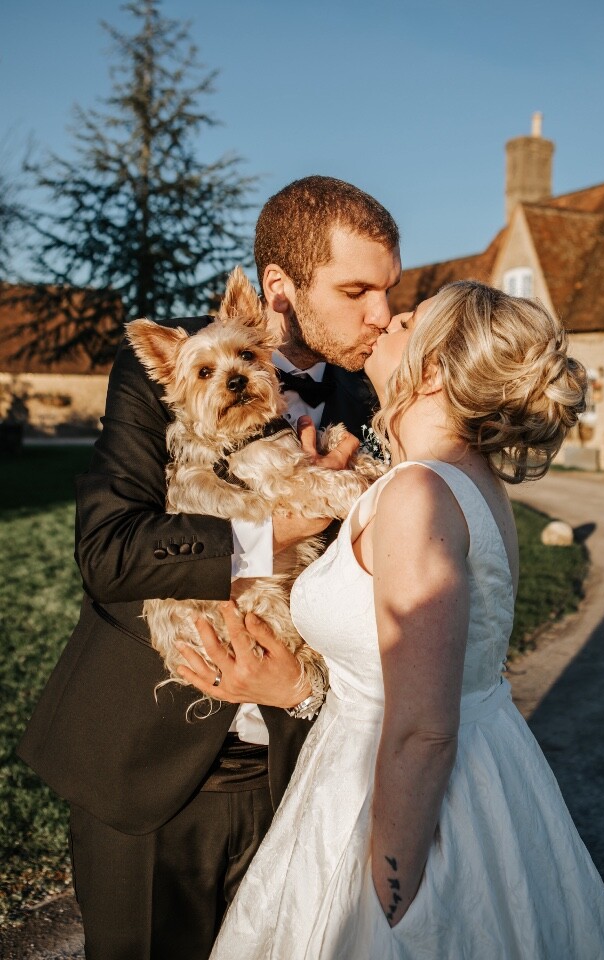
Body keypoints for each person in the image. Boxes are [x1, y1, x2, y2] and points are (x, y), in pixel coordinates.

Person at [183, 281, 604, 959]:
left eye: (403, 322)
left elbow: (425, 732)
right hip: (467, 775)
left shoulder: (420, 494)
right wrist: (299, 692)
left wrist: (388, 899)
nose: (382, 322)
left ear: (430, 368)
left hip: (407, 816)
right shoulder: (461, 478)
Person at [17, 176, 401, 960]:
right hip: (146, 777)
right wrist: (276, 529)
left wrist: (303, 689)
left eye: (388, 290)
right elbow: (110, 553)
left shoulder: (377, 401)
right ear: (279, 291)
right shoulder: (172, 369)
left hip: (302, 778)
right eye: (356, 289)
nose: (381, 315)